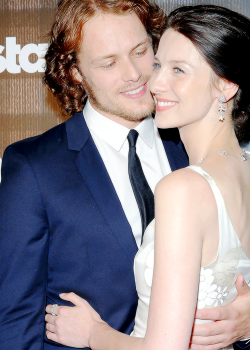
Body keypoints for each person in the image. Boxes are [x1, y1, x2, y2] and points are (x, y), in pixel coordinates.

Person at [0, 1, 249, 349]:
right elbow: (14, 321)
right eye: (109, 62)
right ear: (75, 72)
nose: (133, 74)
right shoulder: (33, 167)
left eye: (140, 51)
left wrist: (246, 322)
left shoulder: (195, 148)